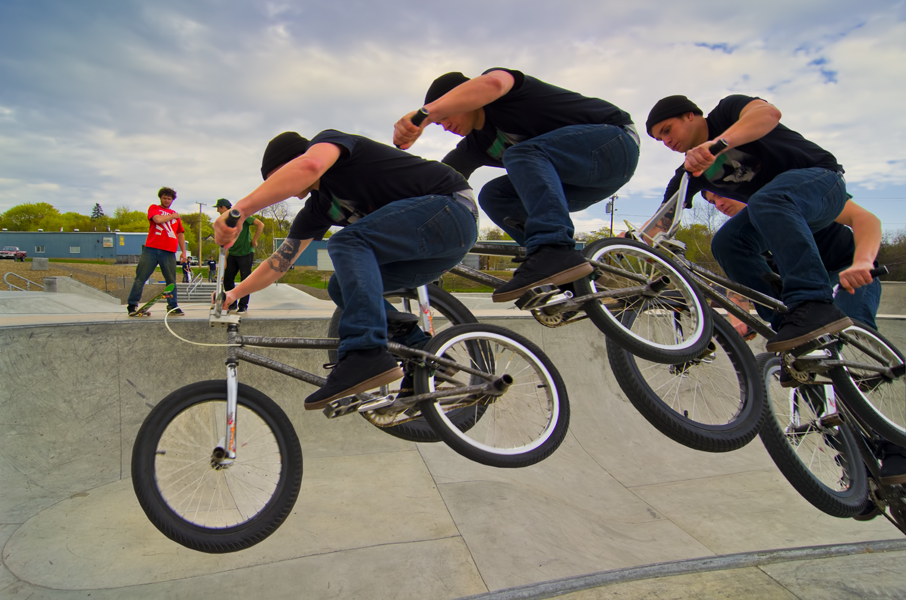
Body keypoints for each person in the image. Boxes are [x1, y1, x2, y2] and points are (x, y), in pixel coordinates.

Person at [213, 130, 478, 410]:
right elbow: (279, 262)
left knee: (347, 241)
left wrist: (238, 211)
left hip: (451, 211)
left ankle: (365, 352)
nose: (280, 188)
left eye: (278, 177)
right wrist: (234, 293)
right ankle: (425, 354)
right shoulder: (318, 209)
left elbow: (310, 166)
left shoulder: (331, 145)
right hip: (430, 256)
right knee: (340, 285)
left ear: (296, 159)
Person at [393, 68, 640, 303]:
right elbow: (437, 185)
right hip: (581, 187)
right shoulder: (475, 145)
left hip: (615, 146)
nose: (445, 126)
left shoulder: (509, 95)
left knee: (523, 154)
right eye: (439, 123)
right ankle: (573, 274)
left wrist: (426, 114)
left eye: (445, 117)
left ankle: (553, 249)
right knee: (493, 195)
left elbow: (493, 83)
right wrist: (397, 220)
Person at [646, 94, 870, 352]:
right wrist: (630, 243)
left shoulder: (727, 112)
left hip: (823, 183)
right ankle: (788, 321)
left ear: (689, 115)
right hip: (776, 213)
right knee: (728, 242)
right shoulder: (690, 172)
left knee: (766, 199)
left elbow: (769, 114)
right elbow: (663, 220)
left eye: (667, 130)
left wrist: (717, 145)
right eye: (660, 139)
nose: (667, 141)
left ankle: (814, 302)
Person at [701, 190, 882, 335]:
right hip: (801, 291)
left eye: (720, 195)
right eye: (712, 202)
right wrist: (739, 322)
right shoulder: (744, 240)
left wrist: (863, 261)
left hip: (846, 271)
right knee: (801, 343)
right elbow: (740, 285)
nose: (719, 205)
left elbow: (865, 218)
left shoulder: (793, 195)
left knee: (850, 325)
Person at [127, 186, 186, 316]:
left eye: (169, 199)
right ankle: (132, 305)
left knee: (171, 281)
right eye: (164, 198)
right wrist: (172, 216)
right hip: (151, 249)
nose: (166, 200)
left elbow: (180, 233)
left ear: (172, 200)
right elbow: (157, 220)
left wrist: (183, 252)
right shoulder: (155, 208)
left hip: (169, 251)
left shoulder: (176, 216)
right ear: (160, 198)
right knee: (140, 277)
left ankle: (172, 306)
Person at [214, 198, 264, 314]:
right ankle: (232, 303)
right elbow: (226, 241)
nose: (217, 211)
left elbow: (260, 224)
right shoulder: (224, 221)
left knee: (245, 280)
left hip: (246, 252)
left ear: (223, 207)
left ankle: (243, 305)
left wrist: (254, 240)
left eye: (218, 208)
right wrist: (224, 260)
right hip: (232, 253)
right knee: (228, 278)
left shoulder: (240, 215)